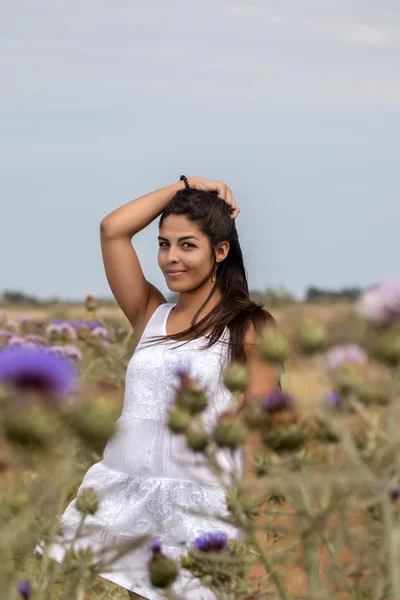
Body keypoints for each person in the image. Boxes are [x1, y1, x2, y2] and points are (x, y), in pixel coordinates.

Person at [43, 176, 278, 599]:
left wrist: (251, 528)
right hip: (132, 493)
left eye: (188, 245)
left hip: (200, 504)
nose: (171, 258)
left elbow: (258, 428)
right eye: (164, 244)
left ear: (220, 251)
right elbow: (112, 229)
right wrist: (184, 186)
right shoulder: (150, 314)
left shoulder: (248, 327)